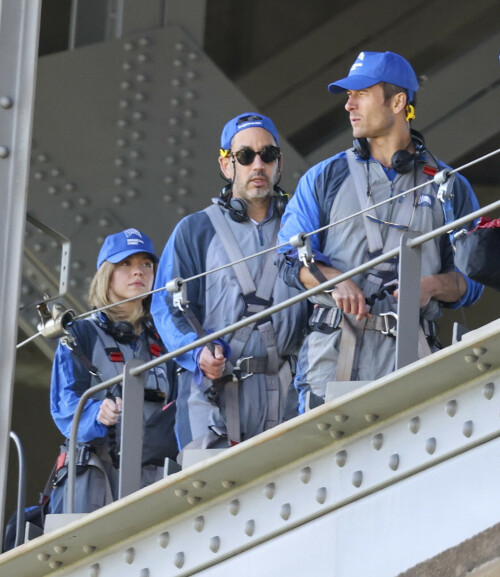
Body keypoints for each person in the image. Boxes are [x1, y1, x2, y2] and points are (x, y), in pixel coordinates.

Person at [276, 51, 483, 411]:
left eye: (360, 93)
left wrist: (431, 286)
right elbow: (288, 258)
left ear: (398, 101)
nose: (348, 105)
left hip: (411, 353)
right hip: (332, 358)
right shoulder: (325, 177)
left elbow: (475, 278)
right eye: (347, 95)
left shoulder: (448, 185)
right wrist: (335, 280)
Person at [151, 112, 308, 455]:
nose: (258, 165)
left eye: (267, 155)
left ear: (278, 163)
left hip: (288, 391)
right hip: (213, 395)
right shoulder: (195, 230)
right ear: (226, 165)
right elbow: (166, 308)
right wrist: (197, 353)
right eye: (245, 156)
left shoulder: (302, 222)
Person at [49, 228, 177, 514]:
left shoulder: (165, 339)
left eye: (146, 264)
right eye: (126, 264)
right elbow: (64, 405)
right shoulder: (80, 333)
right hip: (95, 479)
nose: (138, 272)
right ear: (106, 274)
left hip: (153, 479)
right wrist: (96, 412)